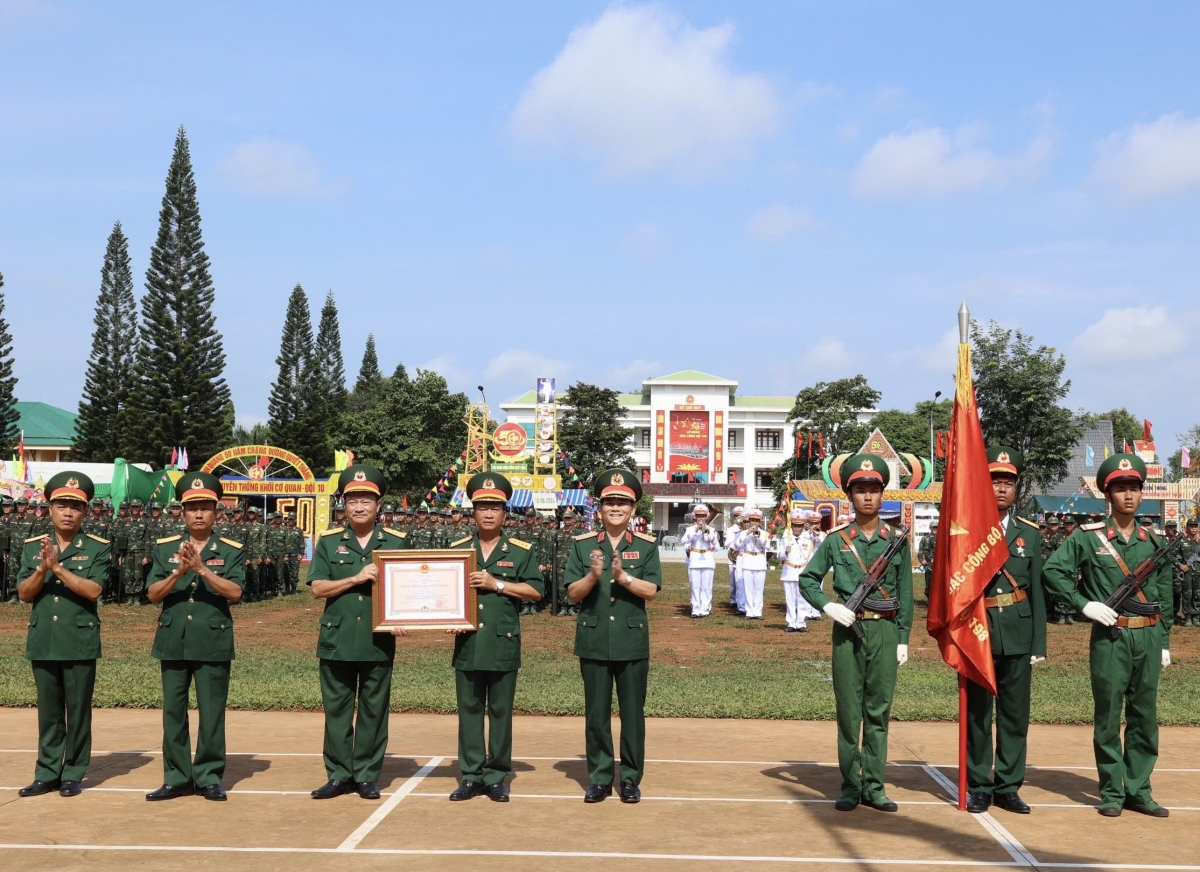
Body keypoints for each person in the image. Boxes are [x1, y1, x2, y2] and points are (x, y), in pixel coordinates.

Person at [1043, 453, 1173, 818]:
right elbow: (1054, 572)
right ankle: (1113, 791)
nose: (1128, 496)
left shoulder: (1154, 540)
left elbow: (1163, 595)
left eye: (1134, 488)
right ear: (1107, 494)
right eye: (1120, 489)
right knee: (1109, 715)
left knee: (1144, 716)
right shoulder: (1088, 538)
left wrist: (1163, 642)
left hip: (1147, 637)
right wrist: (1084, 605)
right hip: (1110, 638)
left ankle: (1140, 790)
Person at [798, 453, 912, 813]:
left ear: (882, 495)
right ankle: (850, 785)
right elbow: (807, 579)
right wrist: (828, 606)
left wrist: (904, 637)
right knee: (849, 714)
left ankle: (874, 787)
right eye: (860, 490)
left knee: (878, 712)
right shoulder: (836, 540)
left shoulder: (896, 539)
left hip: (885, 632)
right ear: (850, 496)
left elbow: (906, 592)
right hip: (848, 633)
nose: (867, 497)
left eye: (873, 490)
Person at [308, 464, 408, 801]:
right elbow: (318, 588)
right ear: (343, 505)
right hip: (337, 639)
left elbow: (410, 590)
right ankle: (338, 774)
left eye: (367, 499)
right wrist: (355, 578)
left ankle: (366, 774)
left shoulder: (396, 542)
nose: (359, 506)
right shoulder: (329, 541)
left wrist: (409, 616)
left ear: (379, 505)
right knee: (336, 710)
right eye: (352, 500)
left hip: (378, 639)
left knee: (373, 710)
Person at [144, 473, 246, 801]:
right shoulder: (165, 549)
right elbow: (153, 594)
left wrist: (203, 570)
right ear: (182, 513)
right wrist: (179, 572)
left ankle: (209, 776)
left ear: (217, 511)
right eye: (192, 508)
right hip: (173, 639)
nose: (199, 514)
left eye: (205, 507)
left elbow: (235, 592)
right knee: (173, 712)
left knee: (211, 711)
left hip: (212, 641)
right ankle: (176, 777)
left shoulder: (231, 550)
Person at [564, 469, 661, 804]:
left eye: (623, 502)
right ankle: (600, 777)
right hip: (594, 639)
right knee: (596, 714)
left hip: (631, 641)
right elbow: (573, 595)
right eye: (610, 502)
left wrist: (623, 577)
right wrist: (594, 575)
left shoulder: (647, 547)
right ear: (600, 509)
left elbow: (651, 591)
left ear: (633, 509)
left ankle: (631, 778)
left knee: (633, 715)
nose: (616, 508)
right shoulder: (583, 546)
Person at [446, 473, 544, 801]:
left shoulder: (519, 550)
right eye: (482, 507)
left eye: (495, 507)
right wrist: (447, 617)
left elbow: (535, 590)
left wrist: (497, 584)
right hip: (469, 642)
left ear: (505, 513)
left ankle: (497, 775)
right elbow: (445, 594)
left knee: (501, 711)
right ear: (472, 512)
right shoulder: (458, 549)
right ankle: (471, 775)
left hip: (503, 642)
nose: (488, 513)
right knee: (469, 710)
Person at [16, 472, 111, 798]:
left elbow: (93, 590)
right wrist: (42, 568)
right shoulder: (33, 549)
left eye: (75, 506)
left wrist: (58, 569)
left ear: (85, 512)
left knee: (78, 709)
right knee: (49, 711)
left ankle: (73, 772)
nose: (68, 511)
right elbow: (25, 594)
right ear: (49, 509)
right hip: (44, 639)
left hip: (79, 639)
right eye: (61, 505)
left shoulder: (98, 548)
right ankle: (46, 772)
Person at [965, 447, 1047, 815]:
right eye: (994, 481)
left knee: (1015, 714)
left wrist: (1039, 641)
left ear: (1017, 489)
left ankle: (1009, 786)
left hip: (1018, 630)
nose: (1000, 489)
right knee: (978, 714)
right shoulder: (966, 530)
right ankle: (979, 784)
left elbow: (1037, 589)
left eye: (1008, 483)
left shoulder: (1029, 534)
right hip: (978, 631)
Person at [777, 509, 822, 632]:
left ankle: (801, 623)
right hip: (789, 571)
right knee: (790, 600)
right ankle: (791, 623)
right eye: (795, 526)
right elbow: (779, 556)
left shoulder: (808, 537)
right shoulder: (786, 537)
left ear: (803, 526)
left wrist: (815, 533)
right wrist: (785, 551)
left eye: (800, 526)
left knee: (802, 599)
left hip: (802, 571)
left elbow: (819, 545)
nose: (797, 528)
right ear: (792, 526)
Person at [681, 504, 719, 618]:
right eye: (698, 516)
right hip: (695, 559)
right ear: (694, 517)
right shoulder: (690, 529)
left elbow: (717, 548)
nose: (701, 519)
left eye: (703, 516)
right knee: (695, 586)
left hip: (707, 558)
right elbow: (684, 541)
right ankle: (696, 609)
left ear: (707, 517)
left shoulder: (711, 529)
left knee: (707, 587)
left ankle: (705, 609)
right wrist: (695, 531)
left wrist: (711, 537)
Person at [735, 508, 770, 620]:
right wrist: (747, 534)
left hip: (759, 560)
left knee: (759, 589)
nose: (754, 523)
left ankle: (758, 611)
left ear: (759, 522)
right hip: (748, 560)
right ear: (749, 521)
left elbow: (768, 546)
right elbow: (736, 546)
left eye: (756, 520)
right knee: (748, 588)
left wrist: (758, 537)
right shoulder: (743, 533)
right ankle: (749, 611)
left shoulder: (764, 533)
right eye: (752, 520)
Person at [724, 507, 744, 613]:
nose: (739, 518)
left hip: (744, 556)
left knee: (741, 580)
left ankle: (742, 601)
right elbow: (727, 542)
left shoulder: (745, 527)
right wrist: (735, 547)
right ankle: (733, 599)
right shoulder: (731, 529)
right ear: (734, 517)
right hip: (733, 556)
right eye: (737, 515)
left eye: (740, 515)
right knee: (733, 580)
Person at [918, 521, 938, 599]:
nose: (935, 529)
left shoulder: (942, 538)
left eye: (936, 527)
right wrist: (922, 560)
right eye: (933, 527)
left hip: (939, 564)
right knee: (929, 583)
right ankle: (929, 599)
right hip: (929, 565)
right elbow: (920, 550)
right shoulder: (925, 538)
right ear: (930, 528)